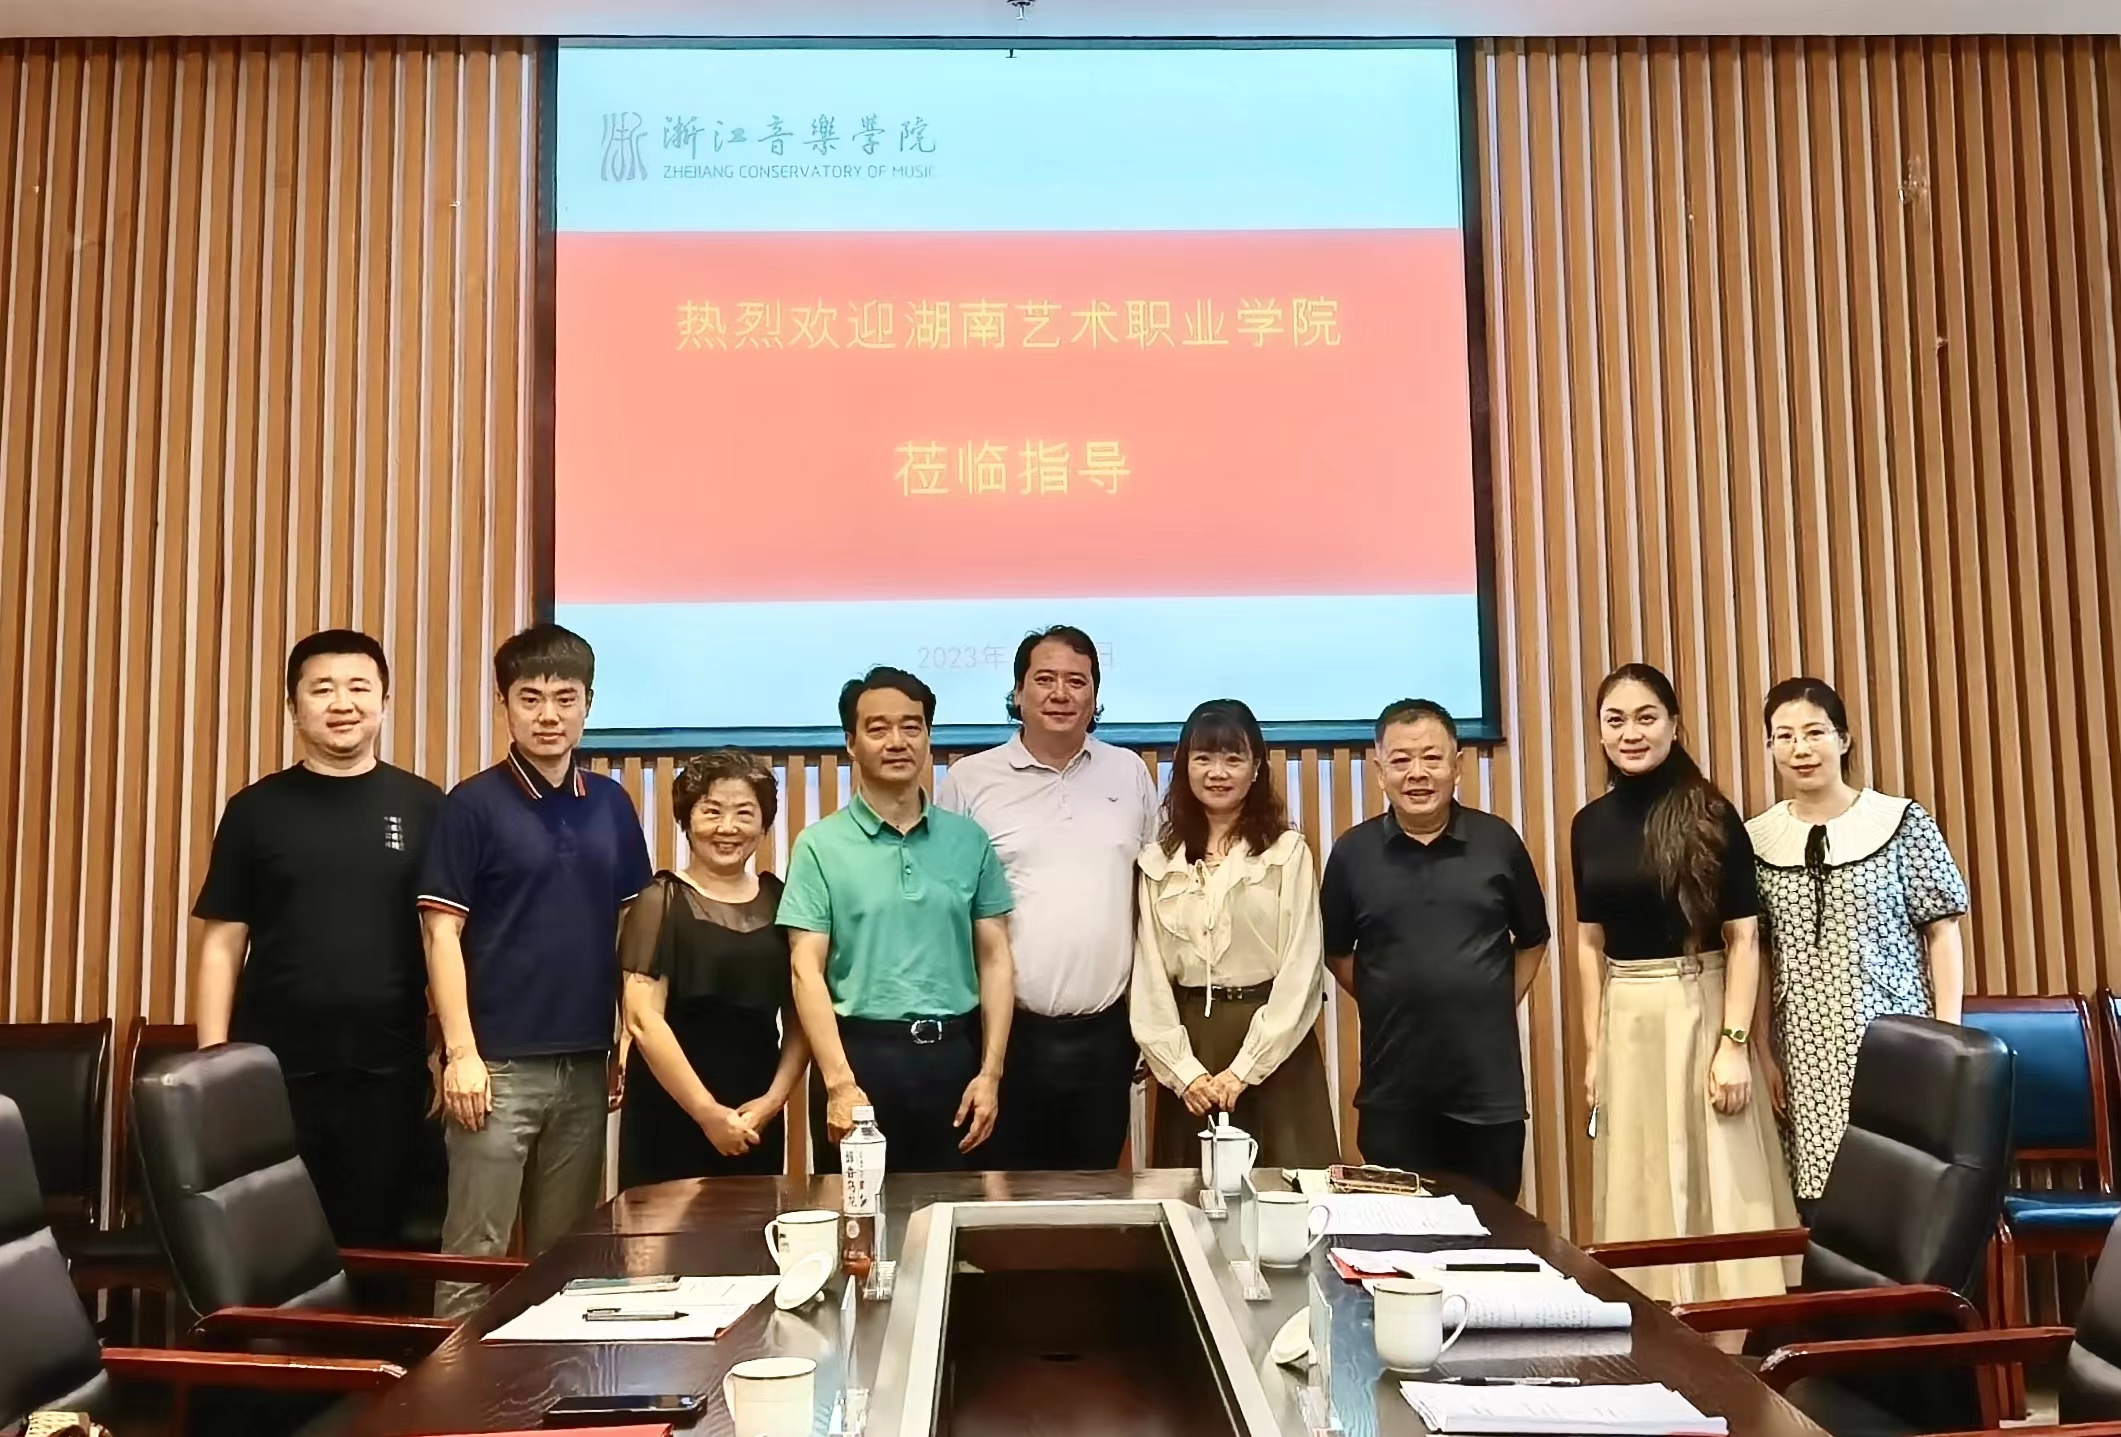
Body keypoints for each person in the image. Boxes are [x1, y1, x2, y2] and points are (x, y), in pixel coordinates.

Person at [418, 624, 652, 1318]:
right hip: (494, 1069)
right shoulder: (472, 804)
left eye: (564, 698)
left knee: (567, 1258)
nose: (548, 715)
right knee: (475, 1253)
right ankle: (452, 1388)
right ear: (505, 705)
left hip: (585, 1063)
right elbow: (439, 932)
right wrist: (461, 1052)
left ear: (588, 704)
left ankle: (551, 1383)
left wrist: (627, 1032)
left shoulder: (611, 803)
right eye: (530, 699)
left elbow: (634, 928)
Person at [191, 630, 443, 1249]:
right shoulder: (254, 810)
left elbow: (443, 937)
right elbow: (223, 945)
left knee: (376, 1244)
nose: (342, 703)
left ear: (384, 701)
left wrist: (451, 1046)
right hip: (274, 1071)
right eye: (322, 689)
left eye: (359, 687)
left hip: (389, 1068)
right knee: (275, 1244)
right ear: (293, 706)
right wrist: (215, 1062)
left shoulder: (424, 806)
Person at [1571, 662, 1796, 1304]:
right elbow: (1588, 945)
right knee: (1639, 1170)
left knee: (1715, 1170)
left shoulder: (1712, 815)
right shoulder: (1588, 824)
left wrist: (1734, 1045)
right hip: (1627, 1012)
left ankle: (1729, 1327)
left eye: (1646, 718)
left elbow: (1744, 939)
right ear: (1600, 732)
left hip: (1701, 1002)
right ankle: (1651, 1316)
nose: (1631, 733)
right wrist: (1595, 1048)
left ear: (1674, 724)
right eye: (1616, 720)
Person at [935, 626, 1159, 1170]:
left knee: (1096, 1196)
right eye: (1045, 679)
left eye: (1077, 681)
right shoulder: (970, 779)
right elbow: (946, 907)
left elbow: (1153, 899)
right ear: (1018, 693)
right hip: (1006, 1036)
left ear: (1095, 696)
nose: (1061, 694)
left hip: (1105, 1034)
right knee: (1003, 1198)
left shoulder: (1129, 772)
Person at [780, 667, 1017, 1172]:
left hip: (955, 1061)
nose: (897, 741)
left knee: (957, 1212)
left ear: (928, 738)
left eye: (912, 727)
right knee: (859, 1215)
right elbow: (805, 970)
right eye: (878, 728)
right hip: (859, 1061)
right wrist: (839, 1083)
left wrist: (991, 1074)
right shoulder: (819, 846)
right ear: (851, 743)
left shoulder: (969, 840)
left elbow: (996, 959)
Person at [1748, 677, 1969, 1212]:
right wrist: (1762, 1051)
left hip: (1895, 1039)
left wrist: (1947, 1034)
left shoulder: (1899, 821)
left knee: (1899, 1194)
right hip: (1803, 1053)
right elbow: (1757, 953)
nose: (1800, 749)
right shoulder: (1756, 840)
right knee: (1822, 1206)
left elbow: (1942, 929)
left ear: (1843, 739)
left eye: (1814, 732)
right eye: (1784, 737)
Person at [1323, 699, 1550, 1200]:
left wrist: (1495, 998)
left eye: (1432, 758)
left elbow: (1534, 938)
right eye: (1401, 760)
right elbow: (1336, 952)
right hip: (1393, 1097)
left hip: (1487, 1095)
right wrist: (1388, 997)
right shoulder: (1352, 853)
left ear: (1457, 765)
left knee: (1493, 1230)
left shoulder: (1498, 842)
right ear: (1379, 770)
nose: (1417, 774)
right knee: (1397, 1234)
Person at [1133, 699, 1338, 1171]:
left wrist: (1245, 1069)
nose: (1217, 772)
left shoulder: (1287, 853)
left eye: (1233, 758)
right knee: (1194, 1194)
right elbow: (1148, 979)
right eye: (1203, 758)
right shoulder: (1159, 861)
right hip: (1193, 1048)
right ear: (1184, 766)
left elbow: (1303, 968)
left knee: (1289, 1189)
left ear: (1257, 767)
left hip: (1276, 1046)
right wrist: (1184, 1073)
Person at [618, 749, 810, 1187]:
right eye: (711, 812)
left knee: (751, 1227)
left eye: (744, 813)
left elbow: (802, 1014)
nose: (727, 827)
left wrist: (772, 1102)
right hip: (670, 1110)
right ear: (687, 821)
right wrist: (707, 1113)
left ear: (764, 824)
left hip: (755, 1116)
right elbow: (643, 1019)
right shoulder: (660, 899)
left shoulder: (780, 900)